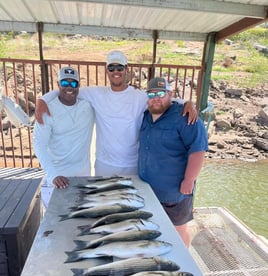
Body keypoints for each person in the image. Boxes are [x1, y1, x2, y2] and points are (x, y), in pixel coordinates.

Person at [35, 50, 197, 176]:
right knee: (104, 211)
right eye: (111, 67)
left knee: (129, 213)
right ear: (107, 71)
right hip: (104, 165)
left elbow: (163, 100)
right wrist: (42, 100)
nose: (116, 71)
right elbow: (67, 90)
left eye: (119, 67)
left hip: (132, 165)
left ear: (127, 69)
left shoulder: (139, 96)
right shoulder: (96, 94)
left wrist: (188, 103)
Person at [138, 77, 208, 248]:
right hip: (149, 189)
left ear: (170, 94)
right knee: (152, 227)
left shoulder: (186, 117)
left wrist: (189, 180)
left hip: (174, 192)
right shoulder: (147, 115)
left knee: (179, 229)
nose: (156, 98)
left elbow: (198, 150)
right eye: (152, 93)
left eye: (161, 93)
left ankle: (185, 263)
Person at [33, 66, 95, 208]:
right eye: (64, 83)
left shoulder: (88, 106)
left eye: (73, 83)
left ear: (78, 86)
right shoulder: (47, 109)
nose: (69, 87)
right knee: (55, 225)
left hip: (83, 176)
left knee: (82, 224)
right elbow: (39, 144)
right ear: (58, 85)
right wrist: (53, 175)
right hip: (57, 179)